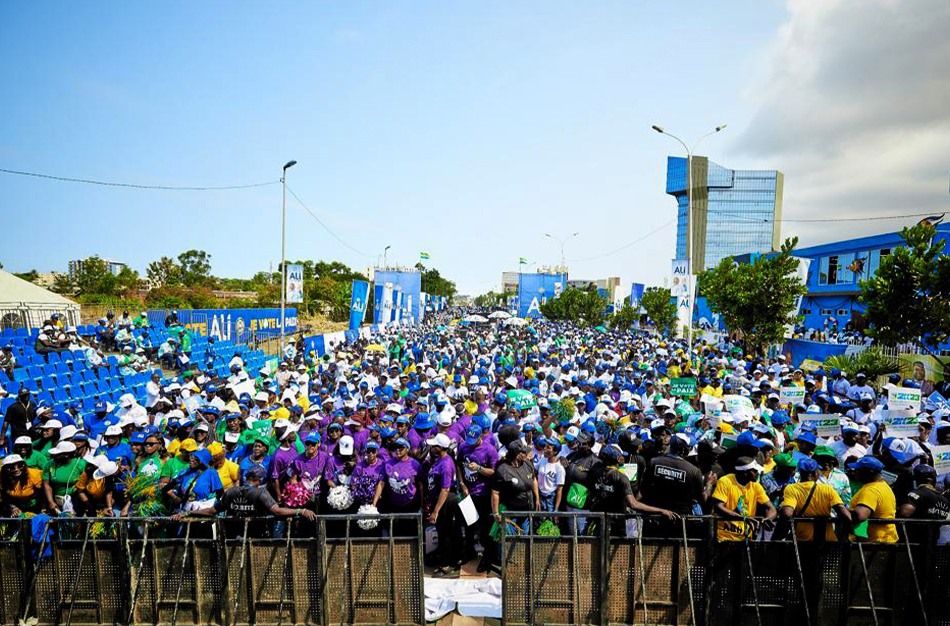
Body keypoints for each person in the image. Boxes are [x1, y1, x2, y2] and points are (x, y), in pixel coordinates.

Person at [177, 466, 315, 538]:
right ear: (260, 480)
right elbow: (277, 511)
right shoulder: (261, 492)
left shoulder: (231, 491)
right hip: (255, 537)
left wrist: (188, 512)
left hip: (232, 537)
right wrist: (300, 511)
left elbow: (212, 511)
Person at [639, 434, 705, 537]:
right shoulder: (694, 471)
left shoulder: (653, 462)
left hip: (655, 518)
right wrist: (709, 485)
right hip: (681, 521)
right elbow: (702, 498)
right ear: (684, 450)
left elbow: (643, 490)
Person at [779, 458, 851, 542]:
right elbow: (846, 516)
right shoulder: (828, 489)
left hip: (802, 542)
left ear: (800, 473)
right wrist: (842, 536)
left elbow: (787, 513)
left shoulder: (791, 488)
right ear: (815, 473)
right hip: (827, 542)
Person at [425, 433, 464, 575]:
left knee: (445, 533)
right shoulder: (440, 459)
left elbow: (445, 489)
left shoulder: (446, 464)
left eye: (434, 445)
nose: (431, 447)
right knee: (445, 532)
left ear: (440, 447)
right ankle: (449, 558)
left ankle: (446, 564)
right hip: (441, 500)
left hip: (446, 501)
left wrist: (436, 511)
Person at [711, 456, 776, 541]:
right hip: (724, 536)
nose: (758, 473)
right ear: (745, 473)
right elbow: (718, 507)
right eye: (755, 471)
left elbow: (771, 508)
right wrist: (743, 518)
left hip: (746, 538)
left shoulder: (756, 486)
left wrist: (768, 518)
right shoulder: (725, 481)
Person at [490, 439, 539, 536]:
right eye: (524, 452)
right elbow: (495, 493)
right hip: (510, 513)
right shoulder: (502, 469)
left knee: (524, 538)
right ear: (517, 454)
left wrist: (537, 498)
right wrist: (496, 514)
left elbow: (533, 480)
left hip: (526, 512)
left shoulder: (528, 463)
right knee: (509, 541)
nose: (527, 453)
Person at [848, 456, 898, 543]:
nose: (854, 472)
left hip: (872, 544)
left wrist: (840, 508)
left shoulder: (871, 490)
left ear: (869, 472)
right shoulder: (884, 486)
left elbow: (860, 515)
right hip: (886, 540)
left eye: (857, 470)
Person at [898, 464, 950, 545]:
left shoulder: (918, 493)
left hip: (913, 543)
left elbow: (905, 512)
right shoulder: (944, 500)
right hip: (933, 544)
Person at [382, 437, 424, 536]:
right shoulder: (388, 464)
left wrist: (422, 505)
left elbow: (421, 485)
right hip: (394, 505)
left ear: (408, 449)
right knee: (395, 533)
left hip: (410, 505)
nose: (398, 450)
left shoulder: (415, 464)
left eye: (401, 448)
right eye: (396, 447)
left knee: (410, 533)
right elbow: (382, 483)